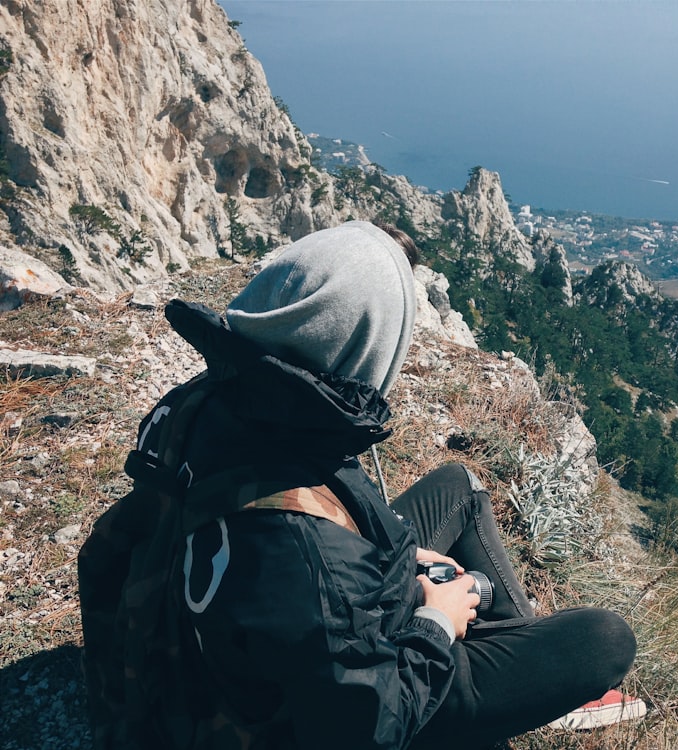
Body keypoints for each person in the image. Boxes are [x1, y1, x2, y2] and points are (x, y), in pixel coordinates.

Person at [141, 220, 643, 748]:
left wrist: (403, 565)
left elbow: (314, 551)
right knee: (606, 640)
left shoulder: (220, 396)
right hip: (345, 696)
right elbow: (369, 726)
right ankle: (522, 683)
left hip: (261, 613)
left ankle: (519, 654)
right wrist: (434, 621)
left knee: (458, 486)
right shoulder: (310, 552)